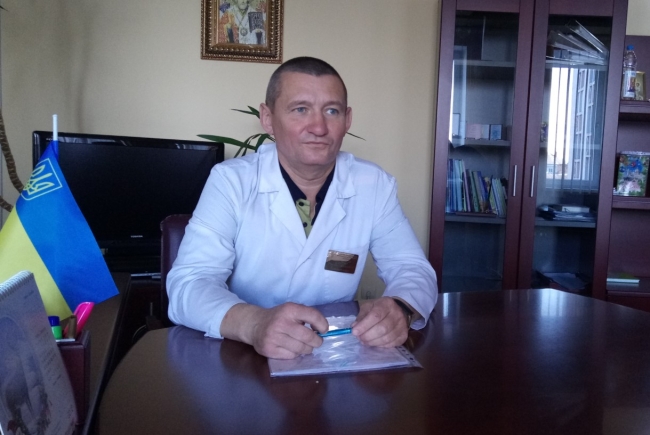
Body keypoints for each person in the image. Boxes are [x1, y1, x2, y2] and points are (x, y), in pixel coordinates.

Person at [167, 56, 438, 359]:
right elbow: (189, 283)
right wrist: (254, 324)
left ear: (347, 119)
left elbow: (412, 268)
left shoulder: (373, 185)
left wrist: (401, 308)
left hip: (334, 352)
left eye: (332, 111)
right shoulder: (231, 182)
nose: (319, 127)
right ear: (267, 118)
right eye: (300, 109)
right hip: (243, 356)